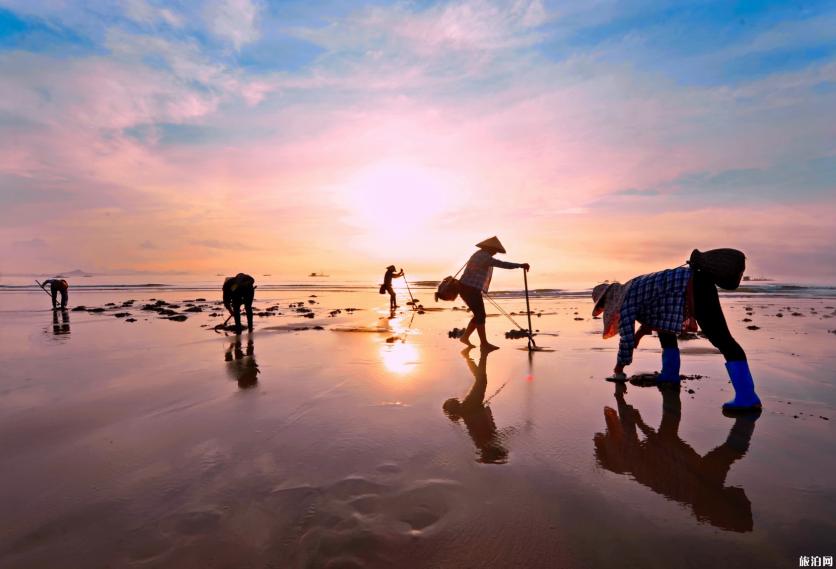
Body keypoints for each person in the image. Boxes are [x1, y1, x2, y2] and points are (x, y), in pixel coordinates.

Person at [591, 264, 762, 412]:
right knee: (665, 329)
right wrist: (640, 335)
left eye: (604, 306)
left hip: (694, 286)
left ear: (608, 301)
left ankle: (747, 397)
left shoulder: (626, 300)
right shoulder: (632, 287)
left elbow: (625, 340)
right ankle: (670, 375)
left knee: (722, 339)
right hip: (695, 281)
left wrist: (618, 369)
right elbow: (655, 314)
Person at [594, 382, 759, 532]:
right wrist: (634, 417)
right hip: (689, 476)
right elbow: (655, 447)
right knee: (724, 454)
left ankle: (733, 515)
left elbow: (654, 448)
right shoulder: (632, 463)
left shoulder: (635, 467)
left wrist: (636, 420)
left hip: (687, 479)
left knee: (726, 455)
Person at [458, 236, 529, 350]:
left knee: (479, 315)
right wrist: (519, 265)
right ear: (489, 248)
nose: (495, 253)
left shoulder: (480, 254)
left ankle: (465, 337)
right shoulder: (484, 256)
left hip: (469, 288)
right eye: (495, 250)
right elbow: (501, 264)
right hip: (469, 289)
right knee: (480, 315)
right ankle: (484, 344)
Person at [442, 348, 509, 464]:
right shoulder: (482, 441)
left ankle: (479, 355)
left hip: (472, 405)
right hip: (472, 406)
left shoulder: (482, 441)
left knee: (481, 380)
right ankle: (476, 355)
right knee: (481, 380)